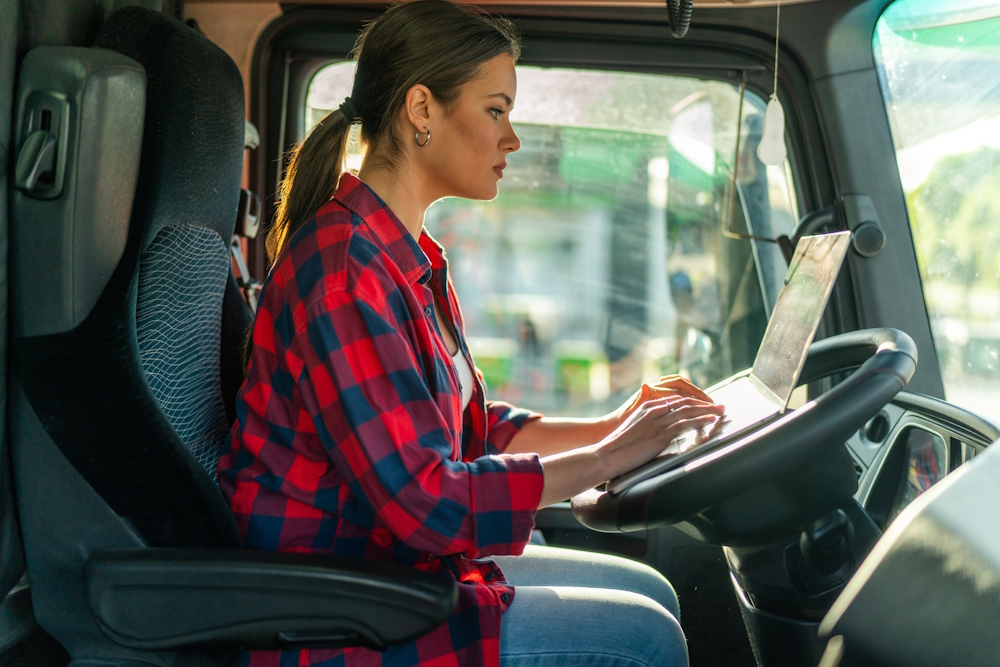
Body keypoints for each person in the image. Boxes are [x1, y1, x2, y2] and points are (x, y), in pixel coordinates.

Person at [218, 2, 725, 665]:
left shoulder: (406, 256)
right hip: (343, 613)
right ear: (422, 109)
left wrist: (619, 425)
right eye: (496, 110)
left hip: (397, 578)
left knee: (651, 590)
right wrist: (607, 458)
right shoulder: (344, 278)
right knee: (645, 638)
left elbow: (474, 431)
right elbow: (425, 497)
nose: (511, 137)